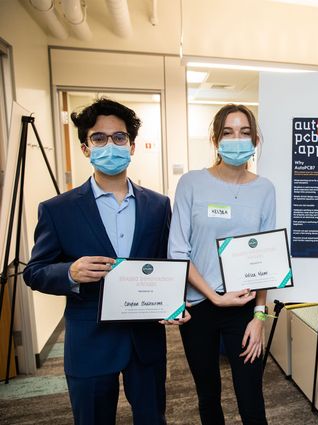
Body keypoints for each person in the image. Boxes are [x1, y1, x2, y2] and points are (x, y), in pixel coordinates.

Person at [23, 98, 188, 425]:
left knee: (153, 418)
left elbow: (166, 262)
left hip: (145, 338)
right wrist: (70, 271)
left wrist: (174, 302)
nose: (109, 145)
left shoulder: (158, 205)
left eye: (119, 137)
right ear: (86, 148)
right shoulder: (58, 210)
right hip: (90, 340)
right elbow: (35, 272)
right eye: (99, 138)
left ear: (131, 145)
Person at [169, 104, 274, 424]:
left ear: (255, 139)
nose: (237, 139)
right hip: (199, 305)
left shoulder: (265, 189)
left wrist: (259, 315)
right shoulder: (191, 183)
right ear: (215, 139)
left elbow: (266, 259)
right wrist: (214, 296)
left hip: (243, 307)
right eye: (228, 132)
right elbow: (178, 251)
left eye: (244, 132)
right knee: (208, 393)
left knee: (251, 396)